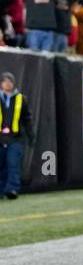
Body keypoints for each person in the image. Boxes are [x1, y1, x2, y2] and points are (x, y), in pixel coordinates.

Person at [0, 71, 33, 199]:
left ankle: (12, 189)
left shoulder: (20, 99)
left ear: (13, 84)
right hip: (0, 137)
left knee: (13, 162)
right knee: (1, 165)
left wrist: (31, 136)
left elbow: (27, 119)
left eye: (10, 81)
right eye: (5, 81)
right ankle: (1, 190)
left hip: (15, 137)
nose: (7, 84)